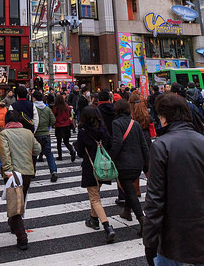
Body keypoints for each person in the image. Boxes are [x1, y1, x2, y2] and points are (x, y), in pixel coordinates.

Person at [143, 92, 204, 266]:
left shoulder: (161, 146)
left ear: (164, 118)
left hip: (173, 232)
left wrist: (150, 240)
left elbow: (155, 199)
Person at [0, 110, 41, 250]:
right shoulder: (28, 133)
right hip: (27, 172)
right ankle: (13, 224)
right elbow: (38, 149)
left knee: (15, 205)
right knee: (19, 199)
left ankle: (22, 237)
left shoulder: (5, 133)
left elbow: (4, 154)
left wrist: (8, 171)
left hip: (13, 174)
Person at [74, 106, 115, 242]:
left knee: (95, 198)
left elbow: (80, 152)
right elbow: (109, 145)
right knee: (95, 194)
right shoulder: (103, 130)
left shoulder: (83, 132)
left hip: (90, 167)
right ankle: (93, 219)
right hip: (103, 167)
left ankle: (107, 226)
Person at [110, 99, 149, 233]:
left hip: (124, 163)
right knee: (129, 188)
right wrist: (147, 162)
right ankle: (127, 211)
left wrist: (111, 159)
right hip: (137, 163)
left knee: (130, 191)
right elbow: (144, 145)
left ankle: (142, 219)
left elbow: (117, 144)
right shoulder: (136, 124)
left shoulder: (116, 123)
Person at [128, 90, 153, 197]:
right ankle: (153, 188)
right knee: (147, 167)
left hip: (134, 142)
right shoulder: (145, 113)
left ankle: (137, 190)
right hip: (146, 140)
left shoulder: (130, 115)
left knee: (135, 168)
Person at [32, 90, 57, 182]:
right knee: (49, 154)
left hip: (36, 134)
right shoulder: (47, 109)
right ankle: (53, 171)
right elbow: (53, 120)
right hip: (46, 134)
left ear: (34, 98)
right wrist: (47, 126)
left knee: (34, 154)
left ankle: (33, 172)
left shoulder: (33, 108)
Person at [52, 93, 75, 162]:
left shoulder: (56, 107)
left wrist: (53, 124)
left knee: (59, 142)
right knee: (66, 141)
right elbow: (69, 115)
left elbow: (53, 116)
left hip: (59, 126)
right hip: (67, 125)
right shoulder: (67, 106)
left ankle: (60, 156)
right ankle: (71, 150)